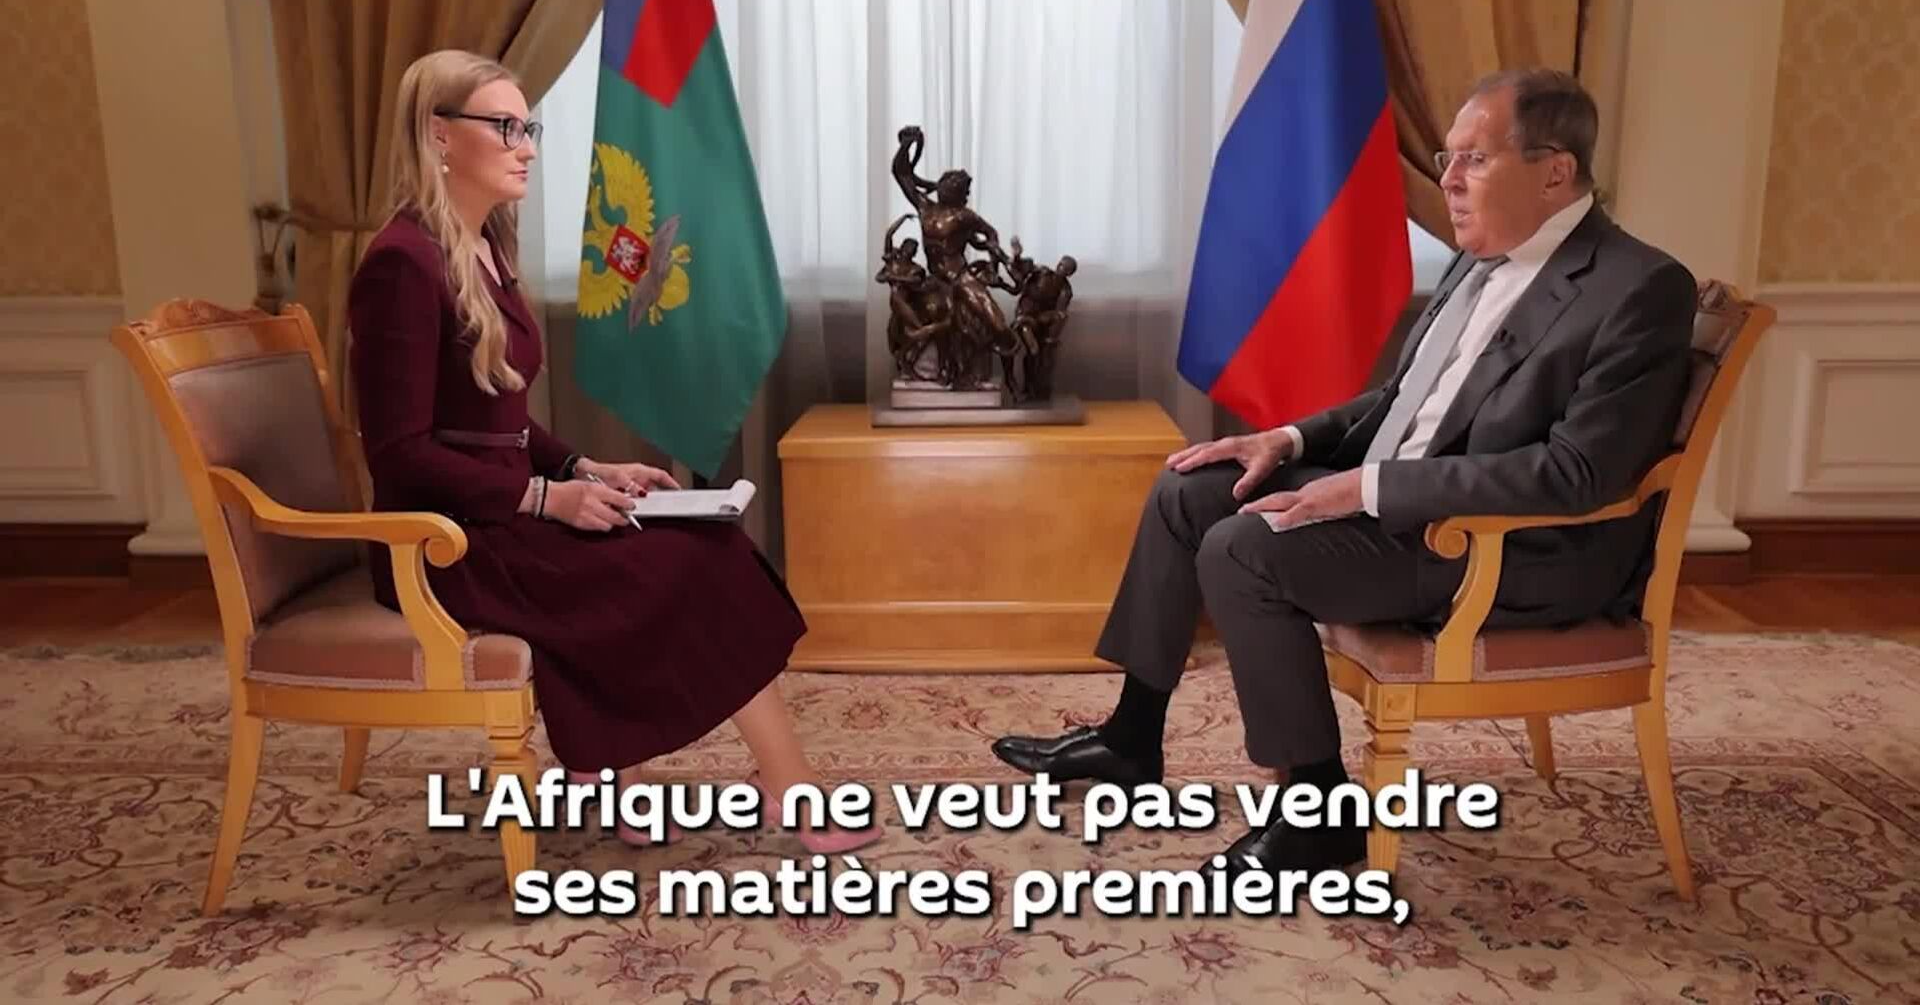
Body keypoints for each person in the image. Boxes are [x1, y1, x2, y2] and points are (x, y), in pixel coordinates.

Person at [991, 69, 1698, 877]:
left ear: (1555, 171)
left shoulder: (1638, 287)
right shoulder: (1479, 257)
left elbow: (1578, 473)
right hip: (1409, 503)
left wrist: (1364, 488)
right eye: (1447, 157)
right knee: (1189, 490)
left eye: (1474, 159)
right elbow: (1404, 400)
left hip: (1508, 550)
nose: (1448, 180)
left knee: (1243, 549)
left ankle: (1318, 813)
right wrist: (1288, 441)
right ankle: (1131, 738)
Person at [347, 49, 879, 855]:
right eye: (503, 127)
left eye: (528, 127)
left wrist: (581, 468)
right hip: (442, 547)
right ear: (439, 135)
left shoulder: (482, 246)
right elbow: (400, 455)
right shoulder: (401, 262)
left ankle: (638, 779)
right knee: (680, 565)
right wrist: (543, 498)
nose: (526, 147)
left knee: (697, 539)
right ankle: (787, 789)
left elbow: (499, 421)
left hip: (498, 518)